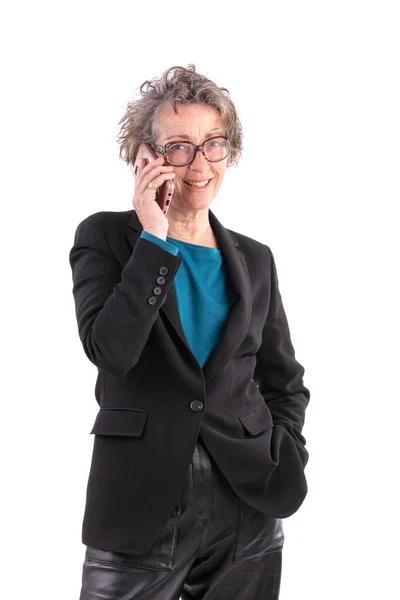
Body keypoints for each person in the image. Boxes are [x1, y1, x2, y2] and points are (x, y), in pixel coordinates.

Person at [69, 64, 310, 600]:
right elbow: (111, 349)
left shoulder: (255, 259)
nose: (199, 164)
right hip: (140, 508)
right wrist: (155, 240)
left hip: (247, 504)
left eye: (213, 144)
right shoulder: (105, 237)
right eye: (178, 147)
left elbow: (283, 379)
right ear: (146, 158)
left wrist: (285, 449)